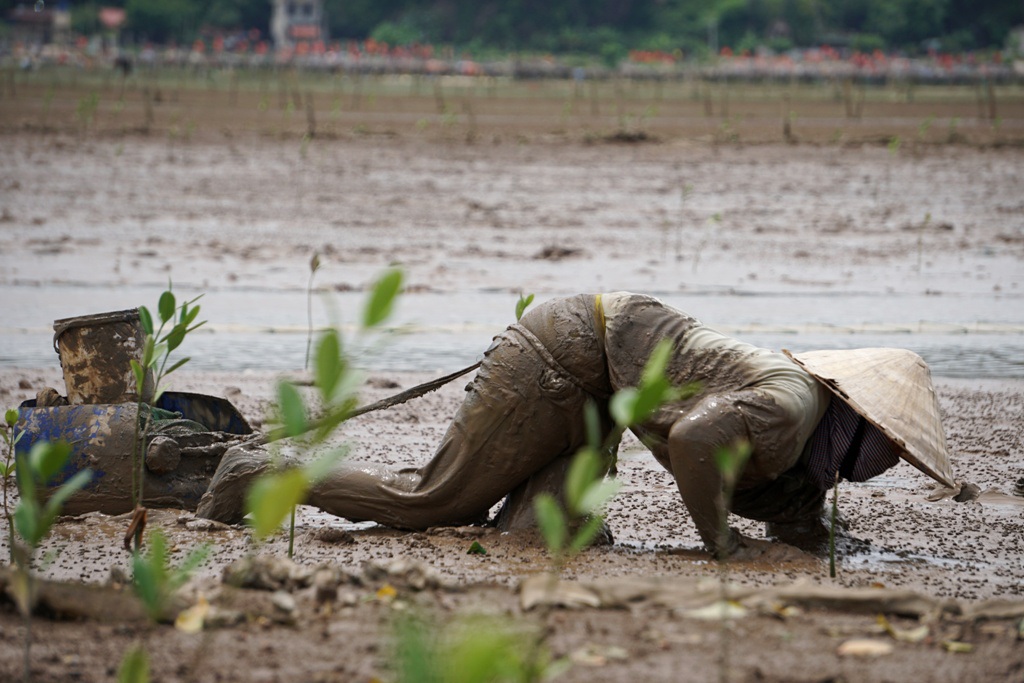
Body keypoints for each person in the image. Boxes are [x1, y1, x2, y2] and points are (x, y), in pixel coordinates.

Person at [197, 292, 956, 559]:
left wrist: (827, 541)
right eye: (888, 452)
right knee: (435, 501)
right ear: (857, 422)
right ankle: (263, 473)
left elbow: (783, 502)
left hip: (602, 381)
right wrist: (721, 544)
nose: (880, 467)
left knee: (535, 538)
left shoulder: (802, 425)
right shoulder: (791, 409)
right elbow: (695, 440)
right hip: (566, 353)